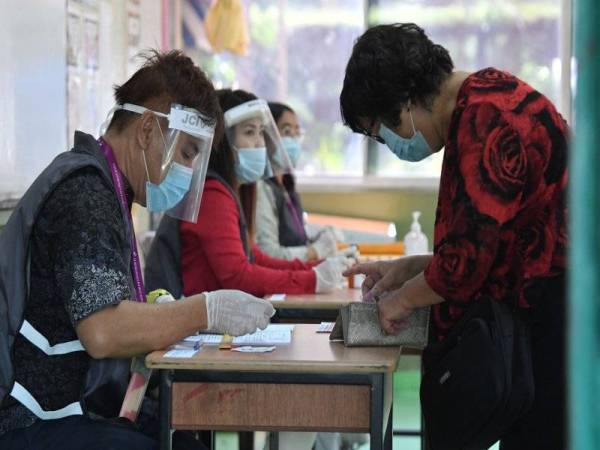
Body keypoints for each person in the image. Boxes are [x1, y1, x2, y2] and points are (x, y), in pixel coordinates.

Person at [0, 51, 275, 450]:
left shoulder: (106, 187)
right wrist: (204, 311)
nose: (185, 171)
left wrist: (157, 311)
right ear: (148, 130)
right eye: (186, 154)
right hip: (34, 420)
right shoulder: (85, 194)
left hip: (74, 407)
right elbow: (103, 331)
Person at [341, 24, 568, 449]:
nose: (389, 144)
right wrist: (408, 269)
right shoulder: (486, 98)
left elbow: (466, 266)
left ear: (402, 102)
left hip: (558, 315)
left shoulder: (485, 120)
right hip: (548, 305)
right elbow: (493, 240)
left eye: (379, 133)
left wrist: (400, 300)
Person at [146, 89, 351, 300]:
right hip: (198, 325)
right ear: (223, 140)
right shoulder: (212, 194)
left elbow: (254, 257)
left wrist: (317, 267)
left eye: (261, 132)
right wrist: (312, 279)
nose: (260, 143)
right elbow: (238, 276)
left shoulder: (229, 190)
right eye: (249, 132)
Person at [255, 102, 339, 261]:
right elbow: (269, 253)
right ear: (266, 135)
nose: (293, 139)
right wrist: (314, 252)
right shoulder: (261, 188)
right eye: (286, 131)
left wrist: (317, 236)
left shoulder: (286, 184)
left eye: (297, 132)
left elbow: (293, 234)